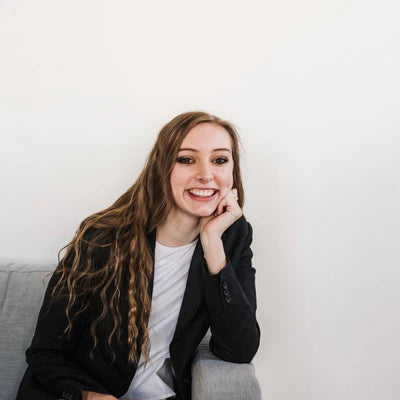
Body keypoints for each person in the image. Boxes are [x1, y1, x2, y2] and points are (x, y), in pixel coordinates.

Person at [16, 111, 261, 400]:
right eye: (186, 159)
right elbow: (45, 352)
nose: (206, 175)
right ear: (162, 167)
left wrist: (212, 242)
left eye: (219, 160)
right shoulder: (103, 237)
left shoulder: (232, 237)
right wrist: (91, 397)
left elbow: (239, 348)